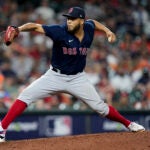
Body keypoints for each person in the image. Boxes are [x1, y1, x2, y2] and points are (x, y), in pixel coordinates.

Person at [0, 7, 145, 142]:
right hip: (54, 76)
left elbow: (94, 22)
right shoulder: (59, 31)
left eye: (72, 19)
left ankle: (129, 124)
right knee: (25, 95)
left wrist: (108, 31)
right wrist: (18, 29)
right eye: (68, 18)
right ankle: (2, 129)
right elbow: (35, 26)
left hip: (77, 78)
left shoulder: (88, 28)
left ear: (81, 21)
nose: (69, 21)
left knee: (101, 108)